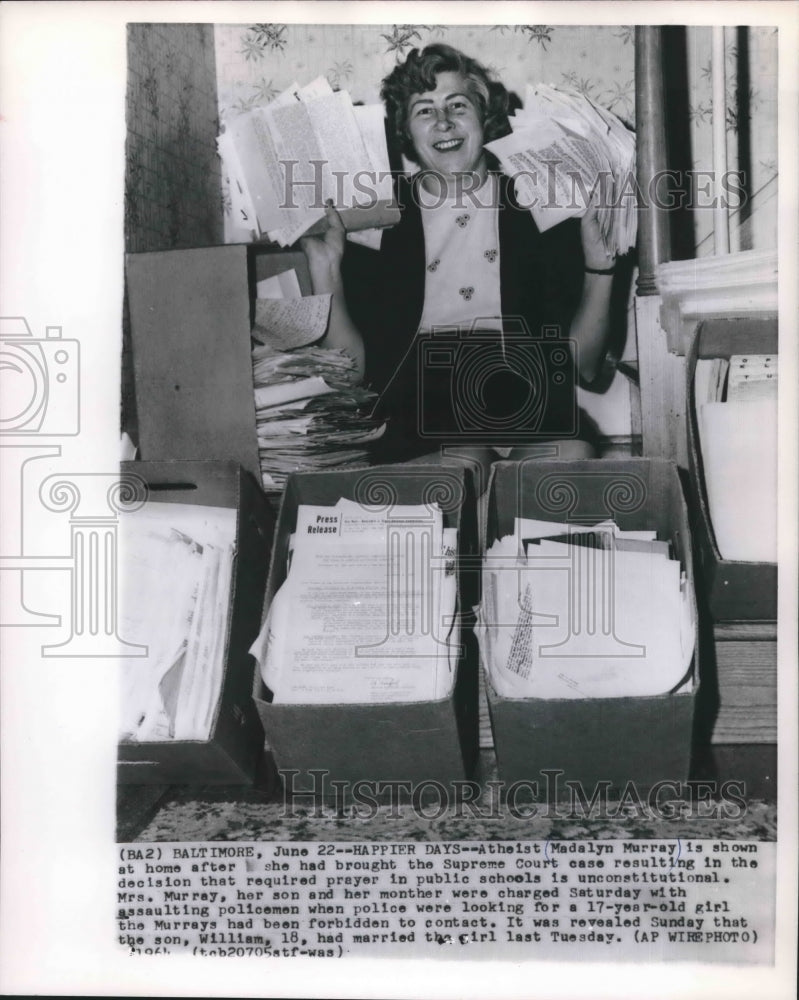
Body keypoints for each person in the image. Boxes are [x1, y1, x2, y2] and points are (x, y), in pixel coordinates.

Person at [300, 44, 618, 489]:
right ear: (406, 134)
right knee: (462, 469)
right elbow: (350, 374)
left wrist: (600, 267)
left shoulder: (539, 204)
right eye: (424, 111)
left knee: (567, 464)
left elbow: (583, 367)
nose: (443, 122)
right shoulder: (378, 219)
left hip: (530, 399)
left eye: (457, 106)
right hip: (420, 407)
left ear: (484, 117)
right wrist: (326, 265)